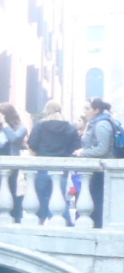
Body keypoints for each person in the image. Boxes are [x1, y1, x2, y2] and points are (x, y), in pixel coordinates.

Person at [27, 100, 81, 224]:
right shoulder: (70, 127)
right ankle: (63, 223)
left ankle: (39, 222)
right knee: (59, 196)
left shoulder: (40, 125)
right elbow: (76, 147)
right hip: (62, 167)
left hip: (42, 165)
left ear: (46, 110)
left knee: (41, 197)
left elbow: (32, 144)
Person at [78, 97, 117, 228]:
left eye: (87, 109)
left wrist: (83, 153)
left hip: (101, 170)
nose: (85, 112)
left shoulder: (101, 125)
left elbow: (102, 149)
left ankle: (98, 225)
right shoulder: (98, 123)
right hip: (99, 169)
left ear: (96, 110)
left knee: (98, 199)